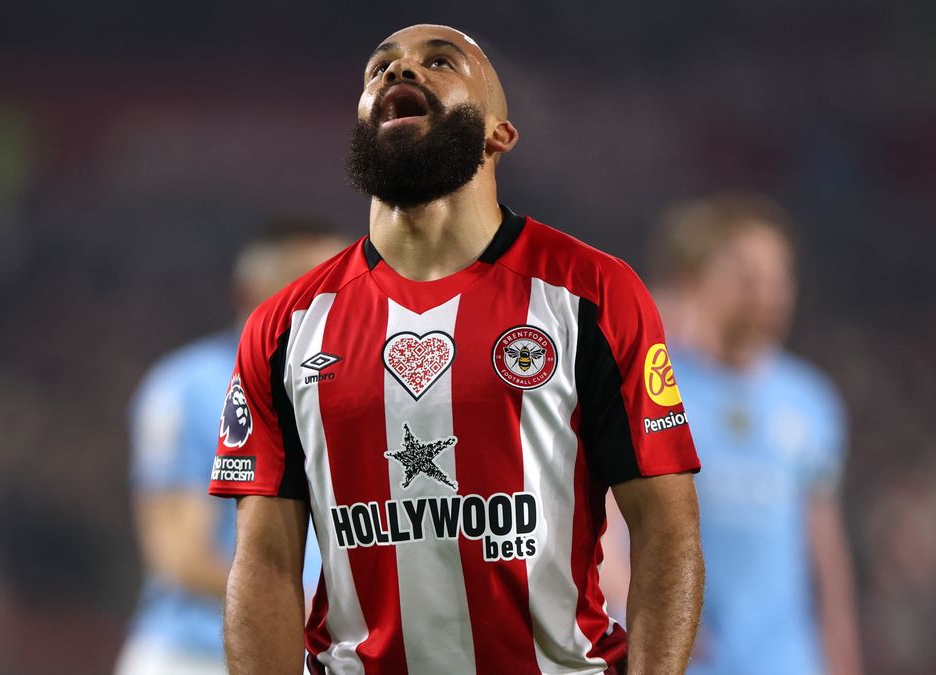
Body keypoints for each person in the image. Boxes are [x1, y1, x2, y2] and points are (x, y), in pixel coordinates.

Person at [208, 24, 704, 675]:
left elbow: (668, 532)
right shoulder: (285, 325)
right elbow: (266, 562)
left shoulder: (593, 293)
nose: (398, 73)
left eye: (439, 61)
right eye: (379, 69)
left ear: (499, 134)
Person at [608, 192, 863, 675]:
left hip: (785, 661)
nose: (767, 294)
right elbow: (607, 524)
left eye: (778, 278)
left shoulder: (811, 400)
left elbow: (824, 546)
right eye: (747, 277)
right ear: (695, 280)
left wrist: (842, 654)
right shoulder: (649, 386)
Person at [116, 221, 347, 675]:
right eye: (308, 283)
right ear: (251, 292)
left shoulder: (359, 388)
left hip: (321, 654)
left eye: (340, 284)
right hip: (197, 655)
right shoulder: (186, 387)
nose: (328, 302)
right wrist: (298, 611)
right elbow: (180, 555)